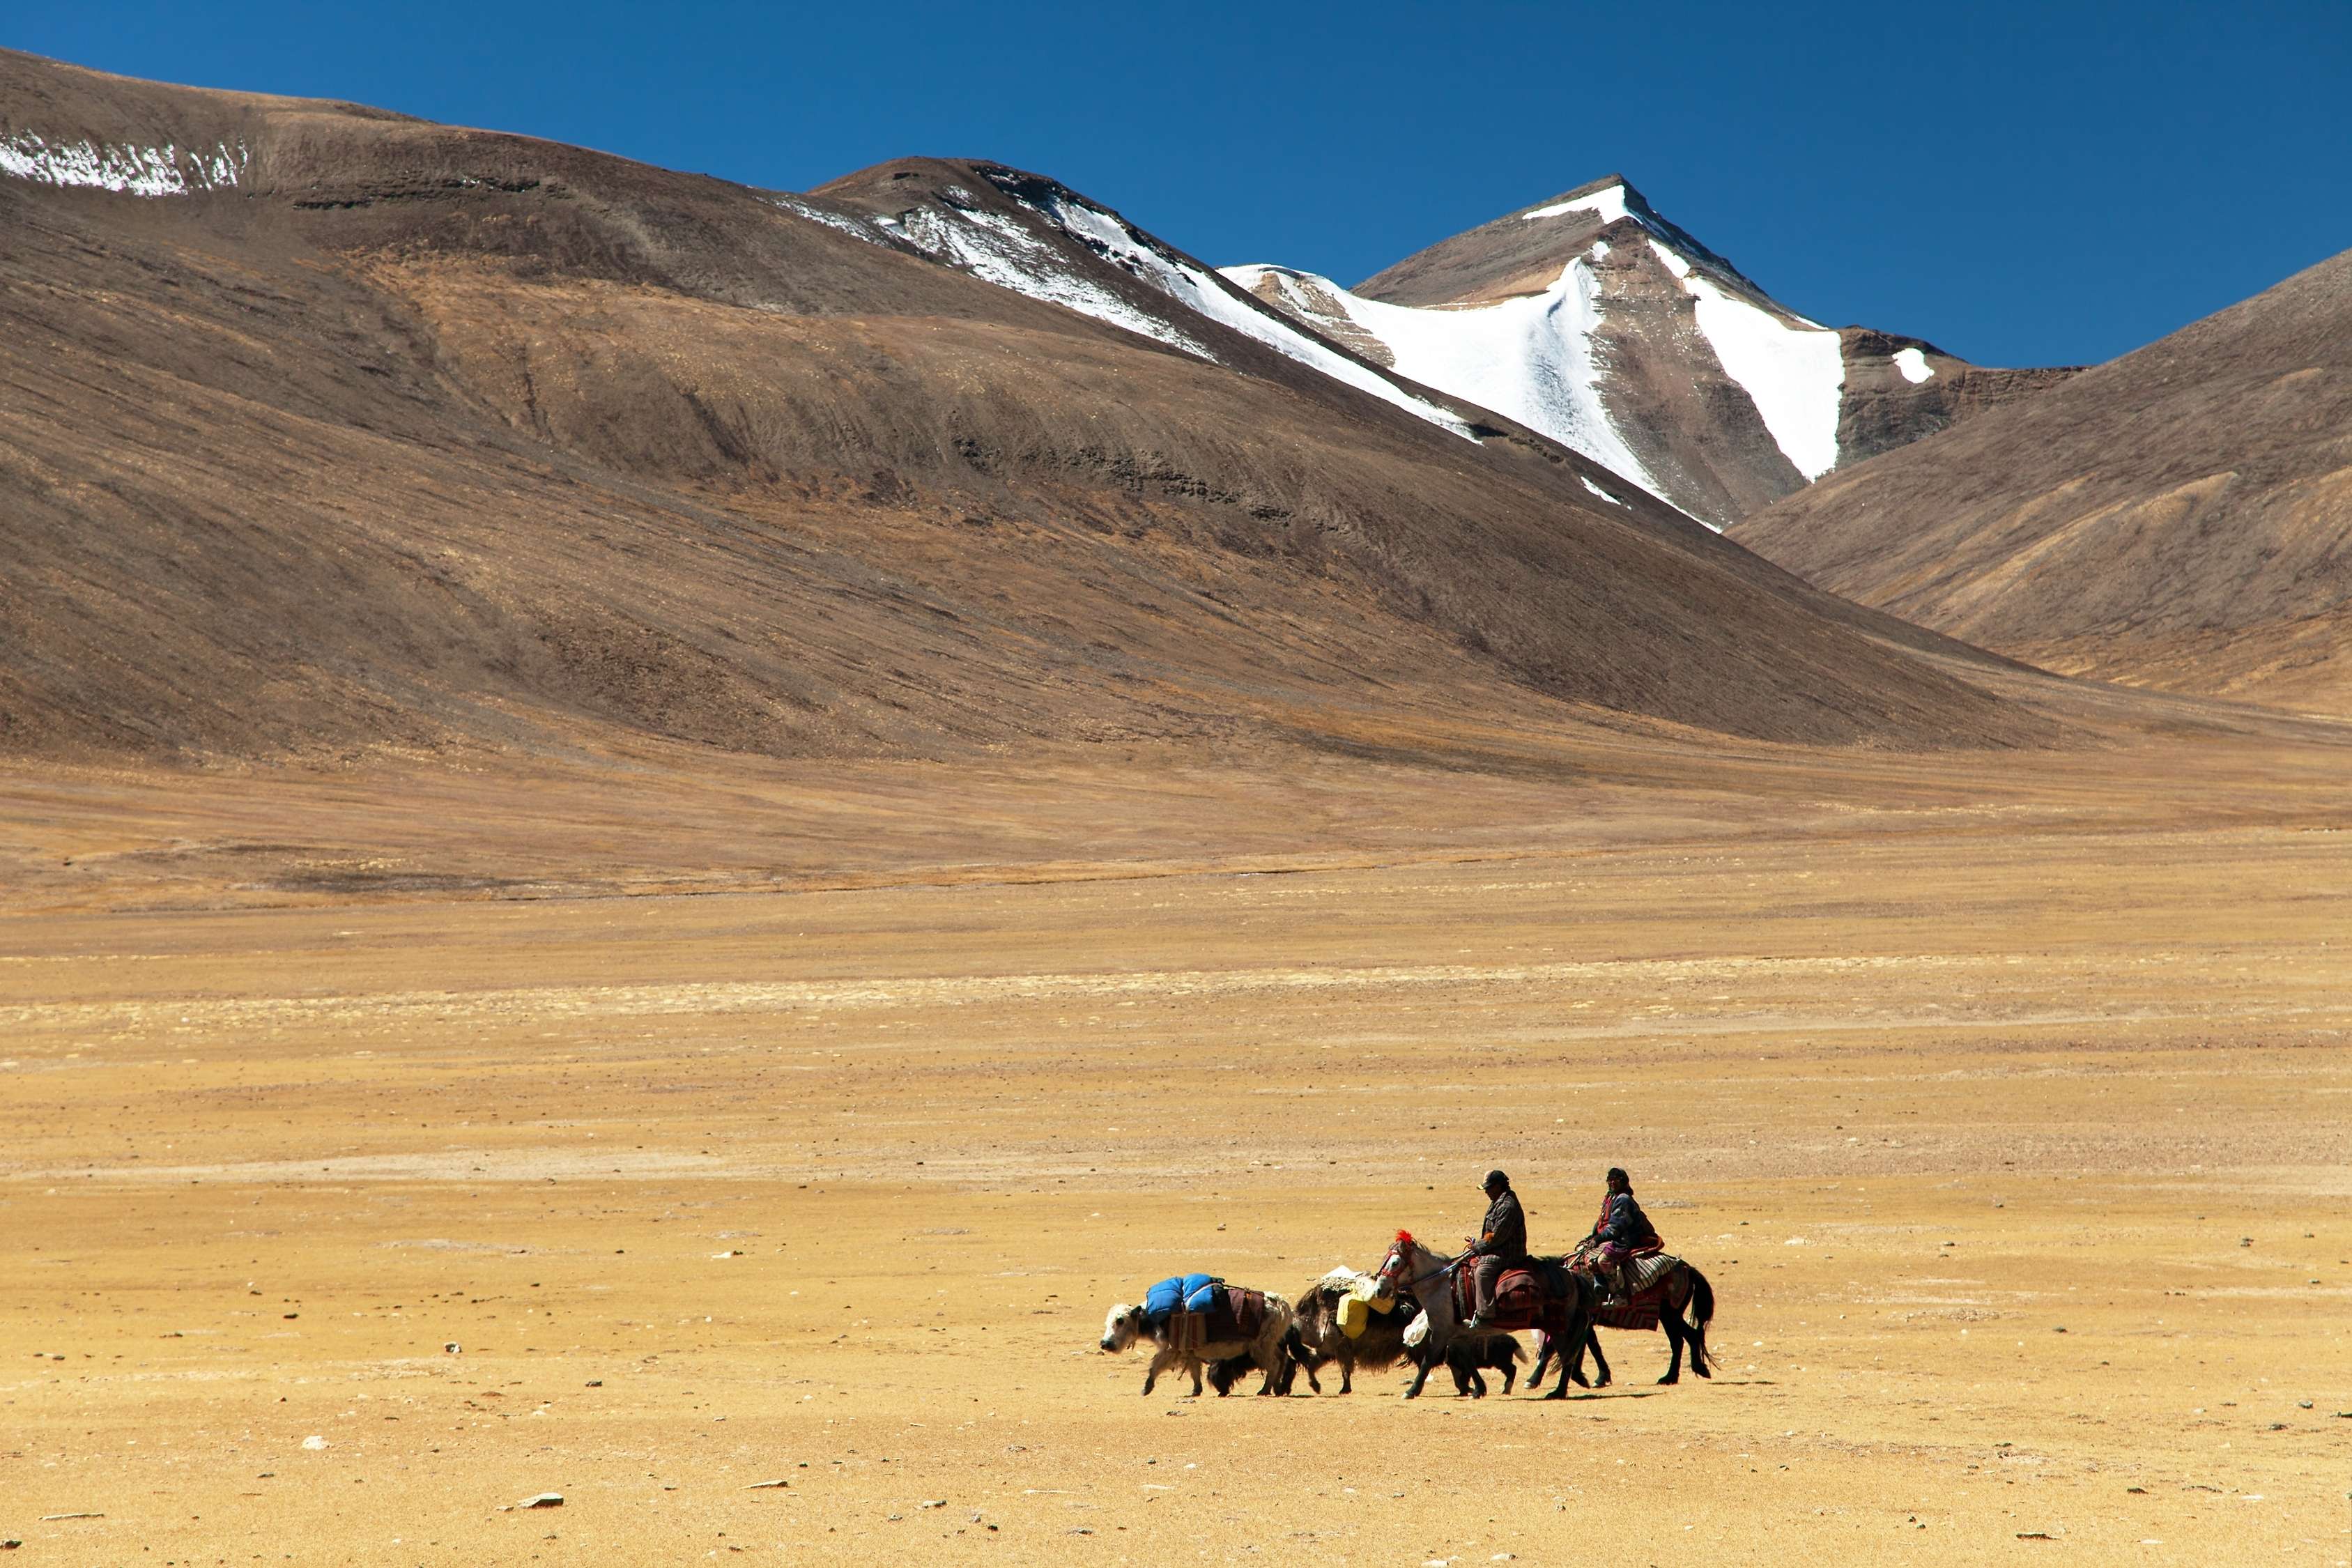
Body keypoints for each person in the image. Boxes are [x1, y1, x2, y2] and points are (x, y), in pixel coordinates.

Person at [1462, 1169, 1529, 1331]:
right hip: (1498, 1248)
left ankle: (1486, 1315)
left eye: (1489, 1188)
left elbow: (1498, 1236)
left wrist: (1477, 1247)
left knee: (1483, 1271)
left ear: (1499, 1186)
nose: (1486, 1192)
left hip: (1508, 1253)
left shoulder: (1508, 1206)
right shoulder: (1498, 1200)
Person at [1584, 1167, 1663, 1301]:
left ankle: (1620, 1293)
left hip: (1625, 1239)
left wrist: (1598, 1238)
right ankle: (1600, 1286)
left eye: (1616, 1180)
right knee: (1582, 1250)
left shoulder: (1624, 1199)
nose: (1612, 1183)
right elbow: (1602, 1221)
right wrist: (1592, 1237)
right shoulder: (1611, 1197)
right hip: (1613, 1236)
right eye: (1610, 1180)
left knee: (1603, 1260)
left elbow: (1616, 1227)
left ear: (1623, 1181)